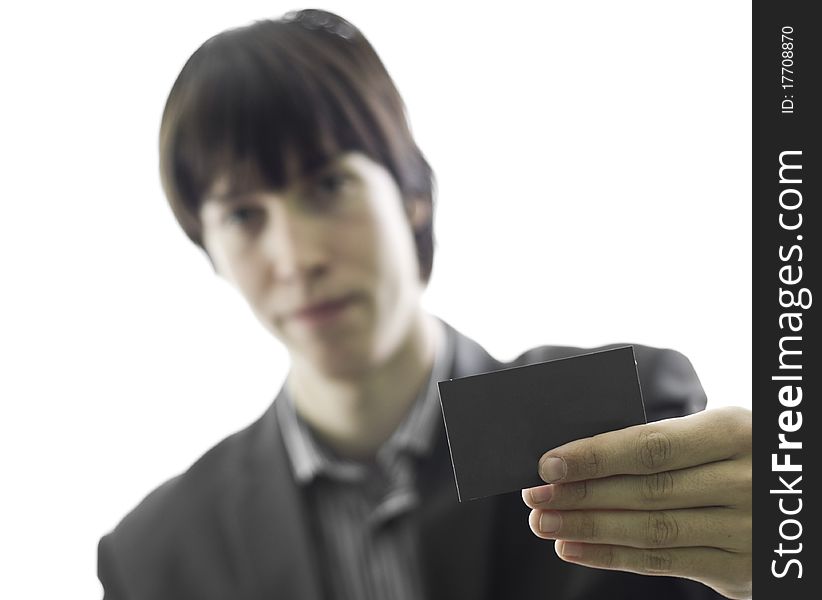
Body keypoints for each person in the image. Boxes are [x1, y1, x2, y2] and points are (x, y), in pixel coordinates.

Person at [97, 9, 751, 600]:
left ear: (412, 194)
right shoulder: (155, 558)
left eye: (328, 186)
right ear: (207, 249)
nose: (296, 258)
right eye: (243, 216)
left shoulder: (617, 421)